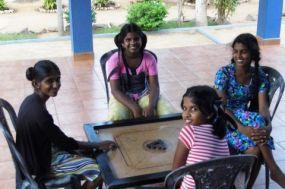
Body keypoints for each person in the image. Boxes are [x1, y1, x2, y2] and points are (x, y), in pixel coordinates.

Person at [16, 60, 117, 189]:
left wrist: (89, 147)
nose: (56, 84)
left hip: (32, 158)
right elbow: (64, 143)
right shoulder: (40, 114)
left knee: (90, 152)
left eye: (58, 79)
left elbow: (58, 139)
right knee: (101, 170)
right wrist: (97, 144)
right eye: (49, 81)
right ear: (36, 84)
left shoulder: (30, 101)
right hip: (41, 166)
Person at [214, 33, 285, 188]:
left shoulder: (259, 76)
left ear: (252, 54)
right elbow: (221, 107)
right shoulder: (224, 73)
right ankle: (274, 170)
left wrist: (268, 127)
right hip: (224, 120)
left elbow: (263, 108)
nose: (238, 55)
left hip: (245, 119)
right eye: (235, 51)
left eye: (243, 51)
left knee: (256, 147)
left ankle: (246, 186)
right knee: (256, 123)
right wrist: (241, 127)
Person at [106, 23, 173, 121]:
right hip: (122, 97)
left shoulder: (149, 59)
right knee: (116, 117)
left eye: (136, 39)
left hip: (145, 94)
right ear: (122, 43)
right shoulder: (114, 60)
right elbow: (115, 90)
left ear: (142, 40)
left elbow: (154, 86)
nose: (133, 42)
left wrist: (151, 106)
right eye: (128, 40)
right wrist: (134, 107)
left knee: (167, 113)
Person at [172, 85, 230, 189]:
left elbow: (175, 174)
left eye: (193, 109)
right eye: (185, 109)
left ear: (209, 113)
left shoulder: (190, 131)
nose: (186, 114)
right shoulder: (221, 133)